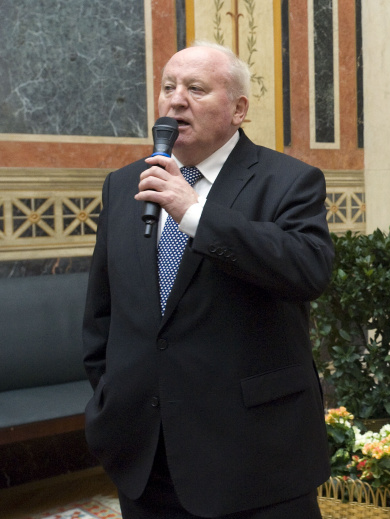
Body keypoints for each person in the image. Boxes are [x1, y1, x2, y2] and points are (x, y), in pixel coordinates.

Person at [82, 41, 334, 518]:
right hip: (145, 455)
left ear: (239, 109)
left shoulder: (290, 181)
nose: (176, 99)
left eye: (196, 89)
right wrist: (111, 398)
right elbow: (102, 314)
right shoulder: (124, 184)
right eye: (168, 87)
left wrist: (194, 212)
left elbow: (308, 269)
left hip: (255, 461)